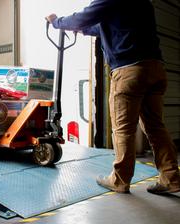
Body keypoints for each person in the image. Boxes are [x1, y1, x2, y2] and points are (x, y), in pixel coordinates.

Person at [46, 0, 180, 194]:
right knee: (155, 127)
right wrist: (83, 30)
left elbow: (84, 17)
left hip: (129, 70)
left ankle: (120, 180)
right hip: (155, 68)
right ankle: (171, 178)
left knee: (123, 129)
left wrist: (57, 22)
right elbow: (113, 26)